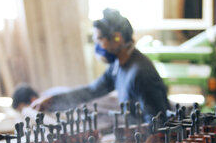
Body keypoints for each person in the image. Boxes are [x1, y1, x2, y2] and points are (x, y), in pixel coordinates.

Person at [14, 8, 170, 123]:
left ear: (117, 38)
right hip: (133, 133)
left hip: (146, 142)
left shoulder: (140, 72)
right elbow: (91, 91)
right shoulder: (118, 67)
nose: (98, 47)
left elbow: (158, 122)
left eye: (100, 40)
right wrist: (52, 100)